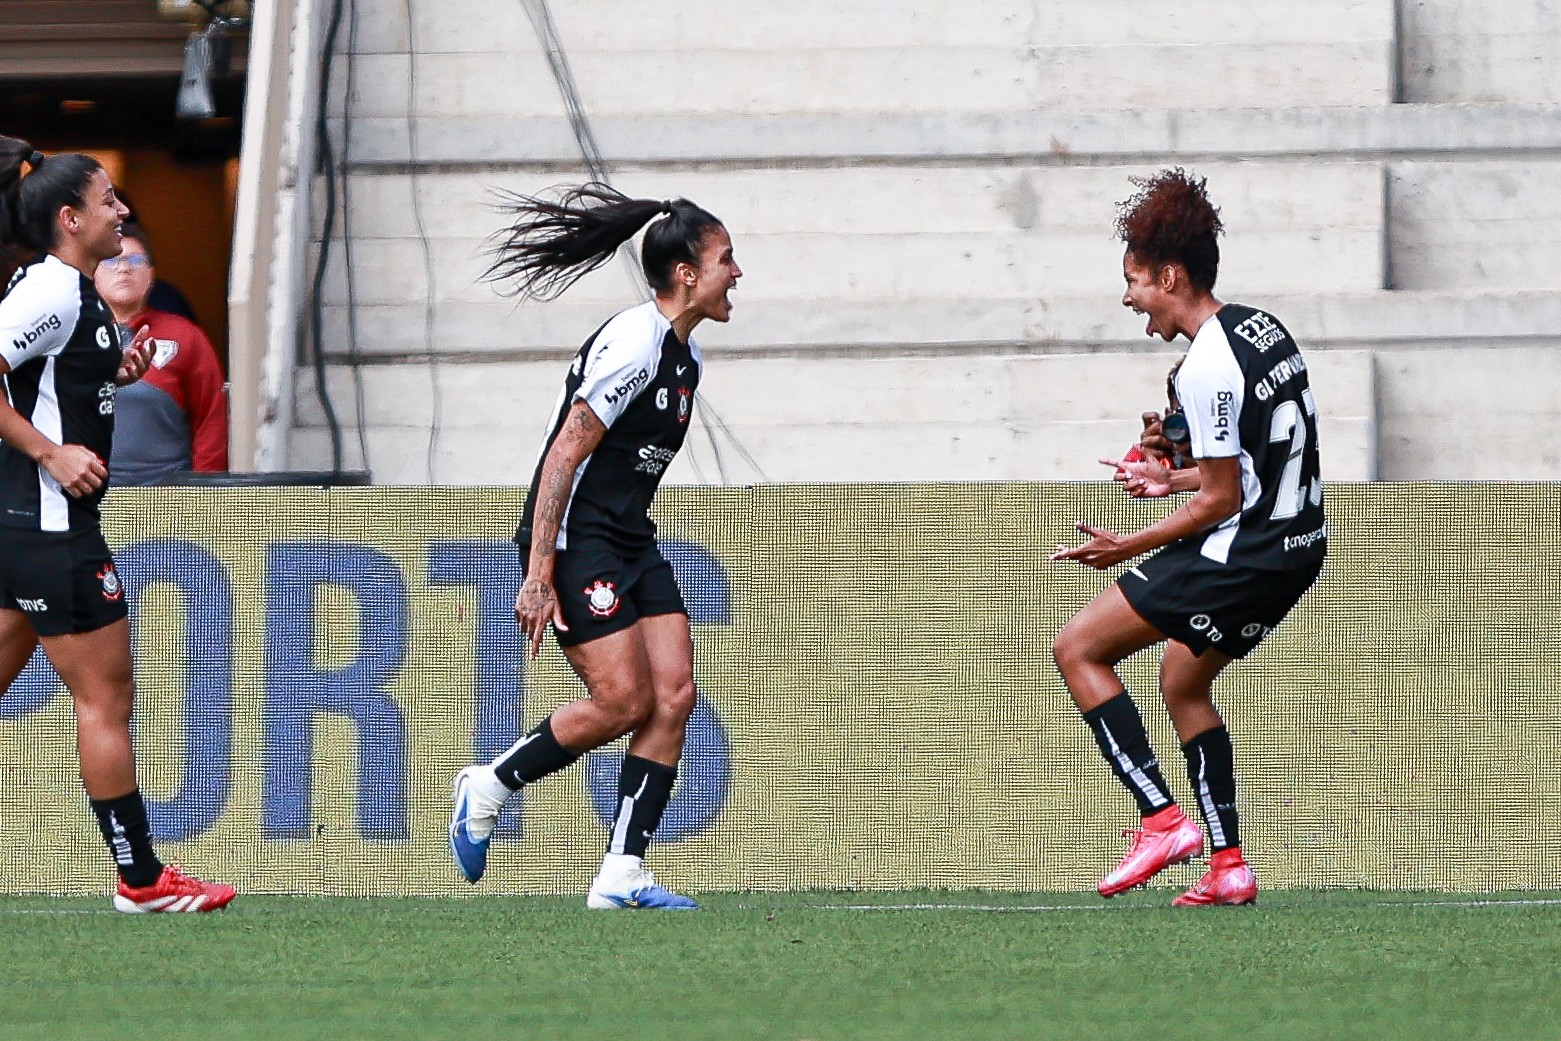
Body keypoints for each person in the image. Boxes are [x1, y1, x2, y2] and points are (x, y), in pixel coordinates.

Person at [448, 182, 741, 910]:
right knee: (620, 700)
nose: (737, 273)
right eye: (727, 259)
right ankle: (488, 785)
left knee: (674, 695)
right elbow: (562, 456)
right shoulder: (635, 343)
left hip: (630, 538)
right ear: (686, 274)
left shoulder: (685, 358)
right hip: (578, 544)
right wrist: (539, 570)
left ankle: (621, 873)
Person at [1050, 169, 1326, 907]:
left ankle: (1161, 820)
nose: (1128, 296)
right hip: (1297, 543)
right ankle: (1228, 862)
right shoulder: (1261, 328)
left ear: (1169, 274)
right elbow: (1247, 465)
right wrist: (1167, 480)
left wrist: (1124, 545)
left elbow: (1220, 501)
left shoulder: (1204, 365)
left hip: (1246, 548)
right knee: (1182, 679)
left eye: (1133, 279)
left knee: (1077, 647)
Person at [0, 138, 236, 913]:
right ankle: (141, 880)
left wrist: (111, 372)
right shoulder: (54, 293)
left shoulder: (73, 290)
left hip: (21, 525)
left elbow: (47, 378)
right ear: (70, 219)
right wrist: (52, 453)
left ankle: (142, 877)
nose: (123, 211)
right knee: (106, 699)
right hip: (50, 526)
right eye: (108, 201)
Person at [93, 225, 228, 485]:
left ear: (151, 275)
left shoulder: (185, 336)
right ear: (93, 273)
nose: (124, 268)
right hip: (91, 498)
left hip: (169, 496)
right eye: (112, 260)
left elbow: (210, 419)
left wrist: (205, 490)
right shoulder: (74, 335)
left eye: (135, 260)